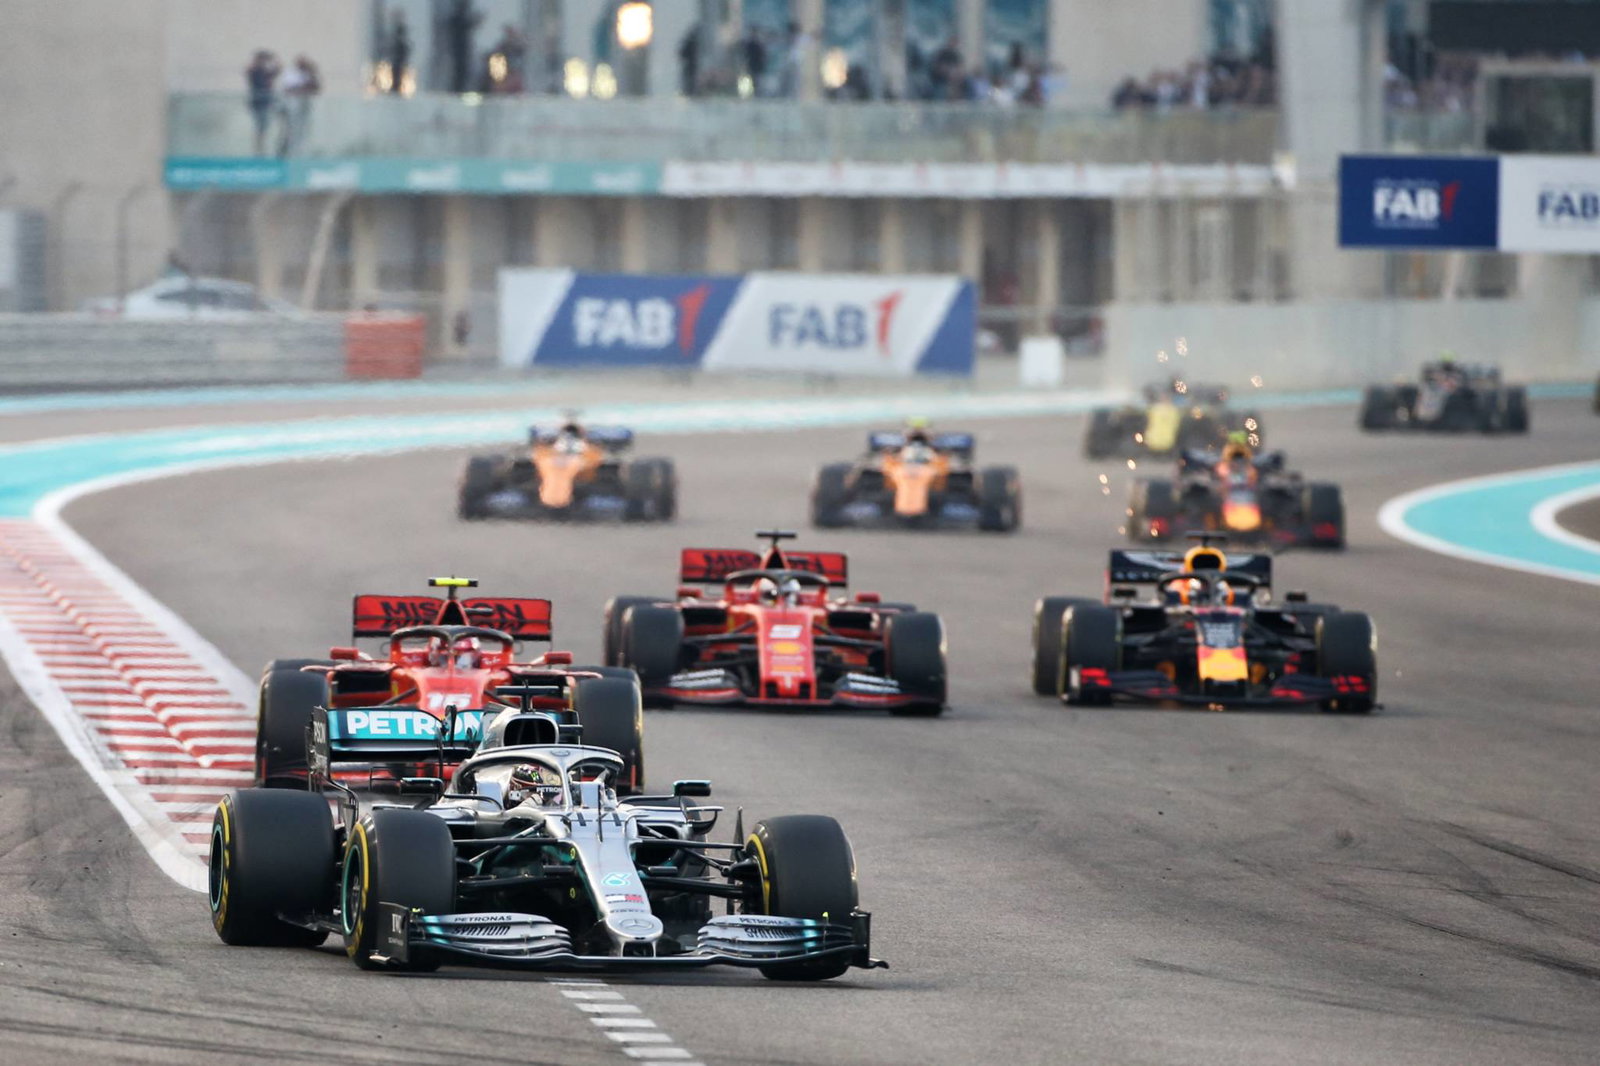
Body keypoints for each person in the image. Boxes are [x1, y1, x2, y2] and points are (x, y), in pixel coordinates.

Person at [278, 55, 320, 156]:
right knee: (289, 131)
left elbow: (315, 88)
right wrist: (302, 88)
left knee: (303, 131)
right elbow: (289, 88)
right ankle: (285, 152)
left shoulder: (308, 74)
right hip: (291, 107)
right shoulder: (291, 73)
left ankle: (300, 151)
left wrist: (311, 73)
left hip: (304, 107)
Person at [244, 50, 281, 156]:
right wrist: (257, 60)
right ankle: (258, 149)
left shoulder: (266, 72)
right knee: (259, 126)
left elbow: (278, 70)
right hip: (257, 102)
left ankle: (262, 147)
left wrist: (273, 58)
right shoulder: (255, 71)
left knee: (265, 126)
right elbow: (248, 71)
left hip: (267, 102)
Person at [387, 11, 411, 95]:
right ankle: (396, 86)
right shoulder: (396, 32)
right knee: (396, 72)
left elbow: (404, 47)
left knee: (398, 73)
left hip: (398, 58)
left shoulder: (399, 31)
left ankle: (396, 87)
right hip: (397, 58)